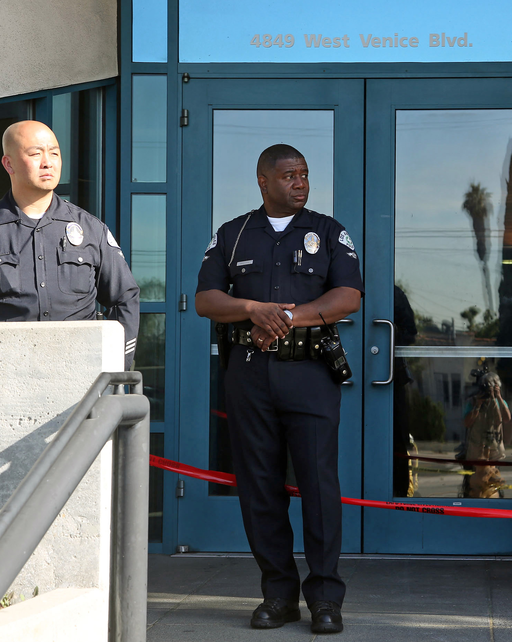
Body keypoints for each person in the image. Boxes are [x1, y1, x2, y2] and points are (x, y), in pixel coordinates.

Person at [195, 144, 362, 634]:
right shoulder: (233, 233)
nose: (301, 183)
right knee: (260, 489)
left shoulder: (328, 232)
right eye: (289, 175)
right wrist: (252, 310)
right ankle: (278, 595)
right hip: (248, 375)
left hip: (308, 376)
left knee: (318, 485)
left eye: (305, 175)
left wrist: (286, 317)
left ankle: (326, 598)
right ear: (263, 181)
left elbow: (348, 295)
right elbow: (206, 299)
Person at [0, 121, 139, 370]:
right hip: (0, 382)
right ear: (8, 164)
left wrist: (115, 366)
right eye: (35, 154)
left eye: (54, 153)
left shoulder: (91, 230)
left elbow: (125, 298)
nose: (48, 162)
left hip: (81, 383)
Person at [461, 368, 510, 499]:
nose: (487, 393)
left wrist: (497, 397)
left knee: (492, 486)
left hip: (493, 452)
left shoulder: (499, 402)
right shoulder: (473, 402)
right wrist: (478, 405)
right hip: (477, 454)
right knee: (476, 488)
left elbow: (506, 418)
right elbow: (467, 422)